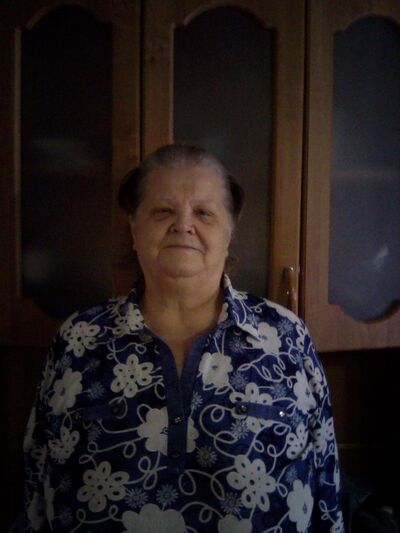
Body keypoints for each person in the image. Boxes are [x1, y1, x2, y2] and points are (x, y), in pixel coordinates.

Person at [23, 144, 344, 532]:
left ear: (229, 232)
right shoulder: (79, 339)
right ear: (134, 228)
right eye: (163, 211)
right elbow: (36, 483)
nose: (183, 225)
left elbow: (326, 484)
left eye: (204, 212)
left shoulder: (285, 336)